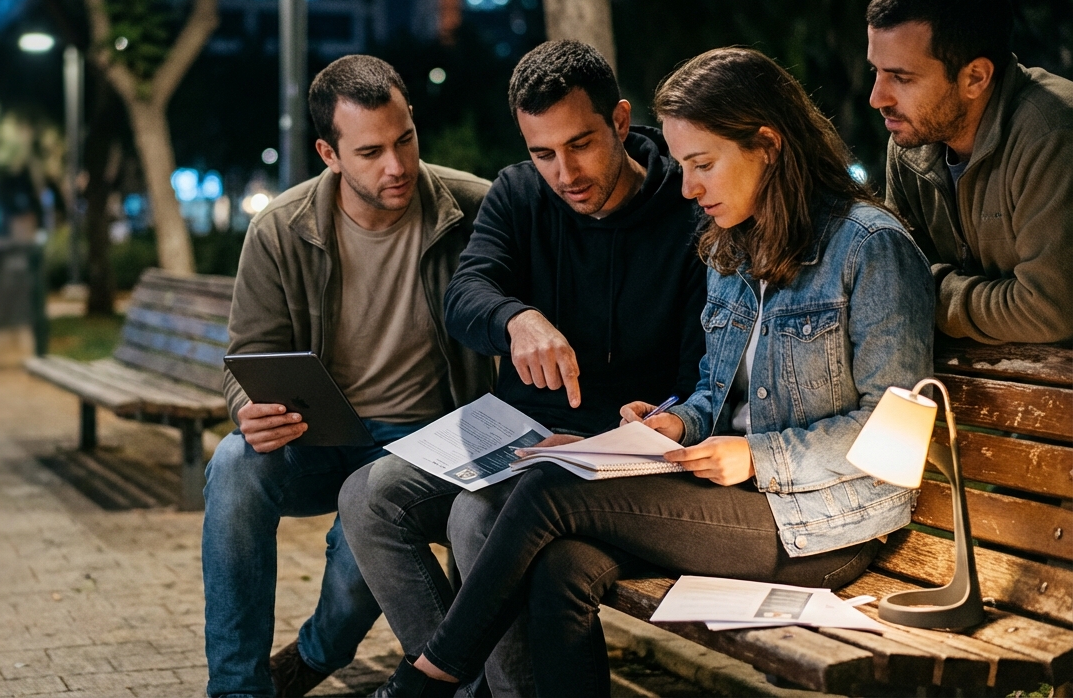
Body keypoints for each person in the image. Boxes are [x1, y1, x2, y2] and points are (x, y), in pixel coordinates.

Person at [369, 47, 936, 698]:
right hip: (731, 505)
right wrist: (676, 421)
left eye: (702, 165)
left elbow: (894, 434)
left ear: (769, 145)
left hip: (818, 523)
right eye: (685, 166)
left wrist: (756, 456)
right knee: (561, 565)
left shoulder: (869, 248)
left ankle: (429, 678)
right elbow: (712, 393)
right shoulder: (731, 245)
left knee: (550, 487)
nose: (689, 188)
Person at [338, 40, 706, 697]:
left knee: (475, 519)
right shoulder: (518, 193)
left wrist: (620, 437)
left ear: (620, 122)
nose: (564, 172)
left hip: (619, 451)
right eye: (543, 153)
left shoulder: (688, 211)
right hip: (513, 430)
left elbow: (699, 378)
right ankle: (461, 688)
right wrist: (516, 318)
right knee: (367, 495)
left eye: (581, 144)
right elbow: (465, 296)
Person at [202, 55, 493, 698]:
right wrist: (247, 408)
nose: (396, 166)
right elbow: (248, 355)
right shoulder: (281, 228)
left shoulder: (473, 209)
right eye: (369, 152)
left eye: (405, 140)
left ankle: (314, 655)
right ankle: (236, 689)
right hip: (320, 431)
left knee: (368, 512)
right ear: (328, 153)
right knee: (233, 464)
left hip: (425, 445)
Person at [868, 0, 1073, 344]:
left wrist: (929, 293)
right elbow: (892, 280)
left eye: (901, 77)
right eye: (875, 71)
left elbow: (1050, 310)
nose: (877, 97)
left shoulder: (1053, 135)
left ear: (975, 77)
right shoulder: (912, 141)